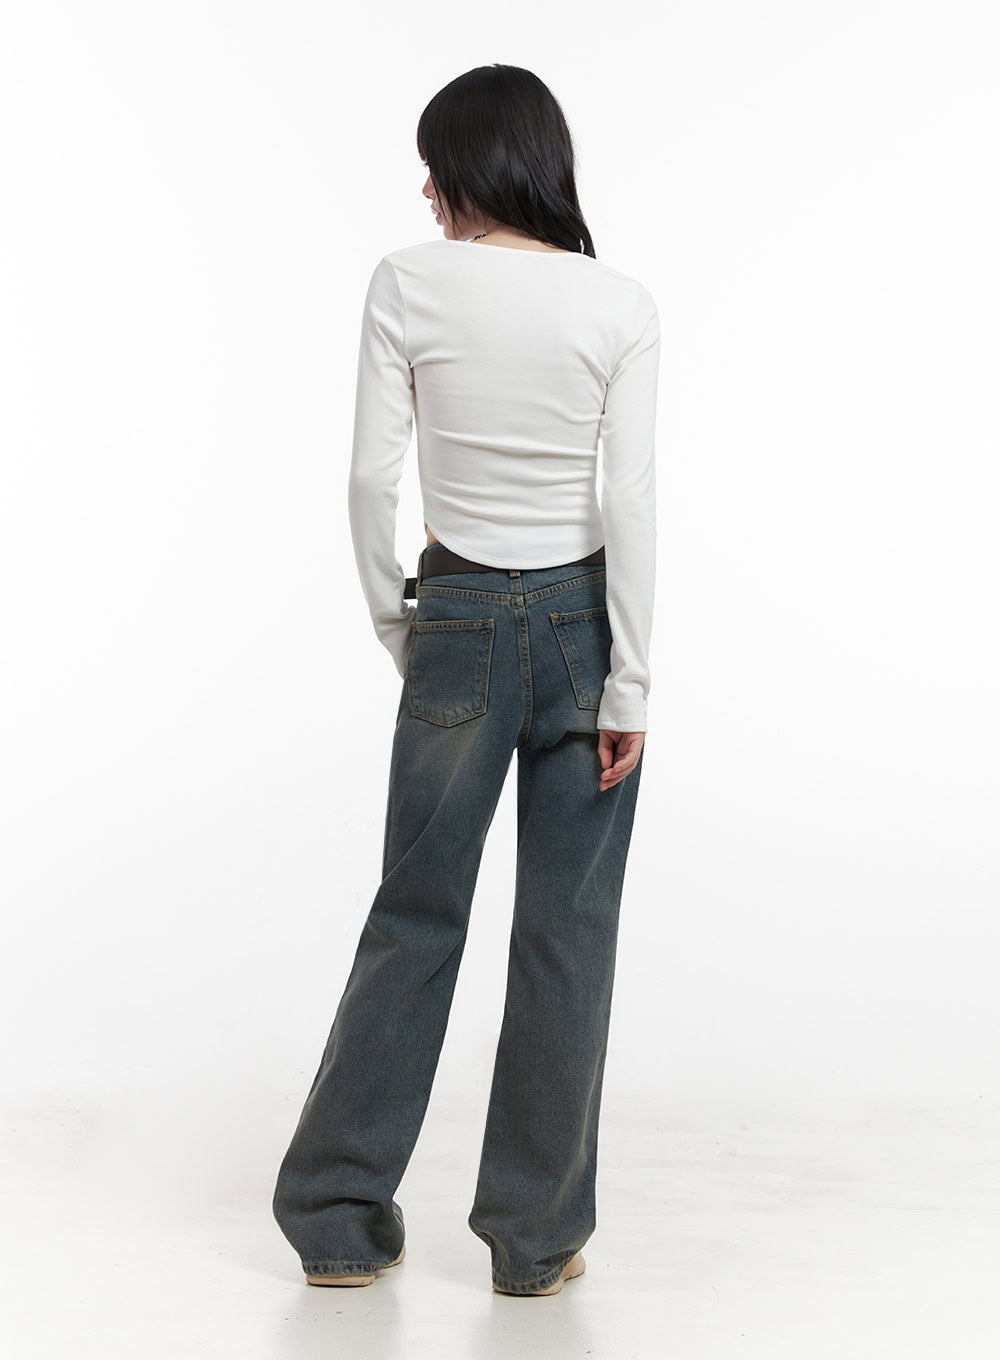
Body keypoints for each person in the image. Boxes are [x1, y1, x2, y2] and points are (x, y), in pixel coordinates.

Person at [272, 63, 660, 1298]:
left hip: (457, 617)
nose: (426, 192)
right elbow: (629, 502)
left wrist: (401, 621)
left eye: (433, 167)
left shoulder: (409, 281)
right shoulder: (618, 303)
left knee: (415, 914)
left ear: (465, 173)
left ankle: (337, 1219)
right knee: (566, 933)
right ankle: (534, 1244)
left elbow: (367, 480)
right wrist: (630, 683)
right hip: (584, 627)